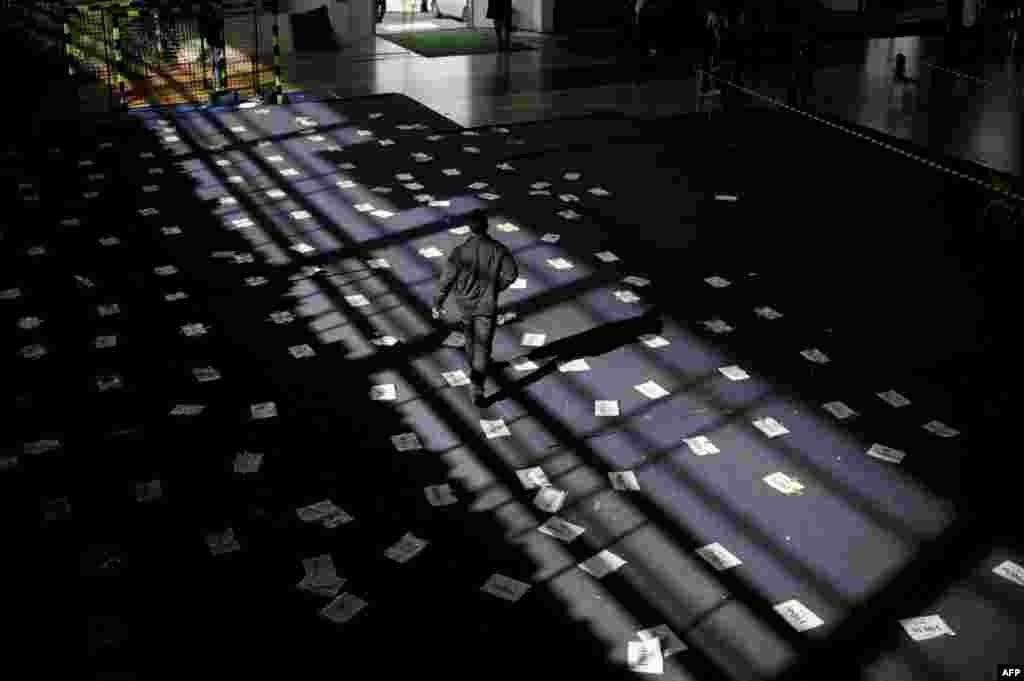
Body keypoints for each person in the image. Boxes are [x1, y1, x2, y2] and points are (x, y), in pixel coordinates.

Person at [432, 209, 519, 406]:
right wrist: (496, 287)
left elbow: (446, 280)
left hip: (465, 304)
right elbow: (511, 274)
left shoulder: (459, 252)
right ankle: (477, 386)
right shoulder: (499, 249)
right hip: (487, 305)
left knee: (471, 339)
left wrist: (437, 302)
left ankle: (475, 368)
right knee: (483, 345)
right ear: (486, 226)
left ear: (468, 228)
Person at [198, 2, 225, 91]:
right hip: (214, 43)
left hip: (214, 43)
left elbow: (220, 24)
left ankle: (217, 84)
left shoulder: (209, 18)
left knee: (216, 65)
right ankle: (217, 84)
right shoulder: (212, 18)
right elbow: (220, 24)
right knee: (216, 65)